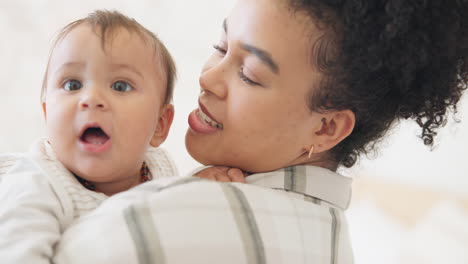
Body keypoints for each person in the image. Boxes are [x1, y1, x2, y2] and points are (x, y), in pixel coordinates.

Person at [53, 0, 468, 263]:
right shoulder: (329, 235)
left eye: (249, 74)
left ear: (326, 127)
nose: (208, 78)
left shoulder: (161, 220)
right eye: (220, 46)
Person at [0, 10, 178, 264]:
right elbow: (16, 253)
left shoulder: (160, 170)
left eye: (120, 86)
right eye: (72, 85)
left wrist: (204, 185)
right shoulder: (37, 182)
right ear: (47, 113)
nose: (91, 99)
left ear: (159, 125)